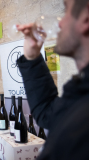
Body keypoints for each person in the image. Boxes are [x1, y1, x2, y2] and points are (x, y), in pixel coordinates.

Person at [16, 0, 89, 159]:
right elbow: (48, 112)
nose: (60, 23)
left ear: (86, 17)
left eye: (65, 10)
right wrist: (32, 58)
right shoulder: (83, 90)